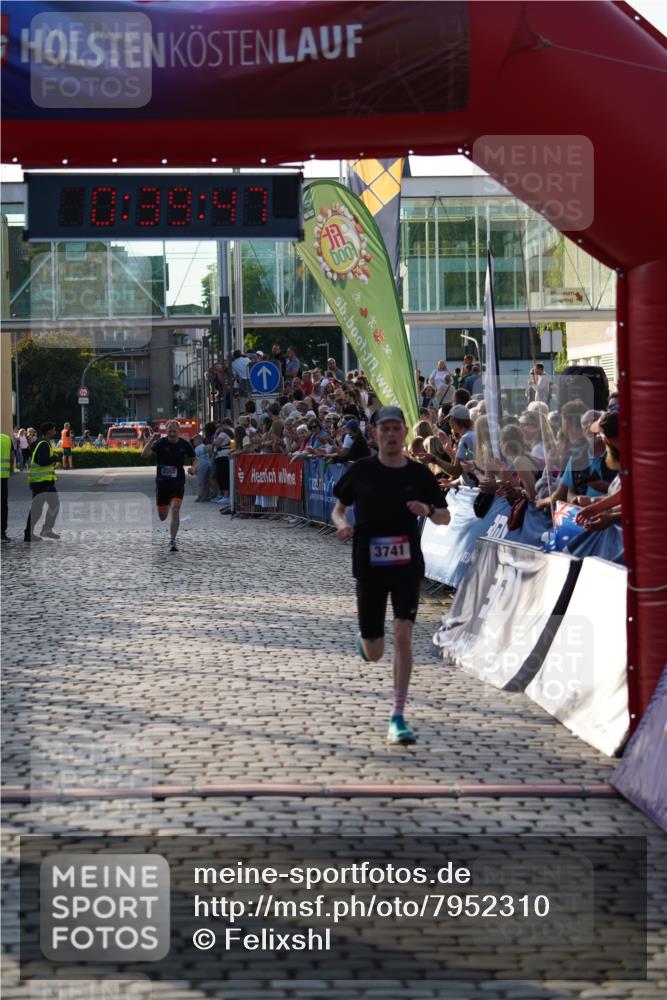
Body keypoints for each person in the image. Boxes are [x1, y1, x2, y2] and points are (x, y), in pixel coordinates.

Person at [332, 406, 450, 746]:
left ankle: (397, 716)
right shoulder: (361, 471)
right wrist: (342, 526)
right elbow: (339, 509)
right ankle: (365, 641)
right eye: (385, 429)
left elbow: (444, 516)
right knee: (376, 651)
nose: (391, 434)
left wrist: (426, 509)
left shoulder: (419, 475)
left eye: (397, 428)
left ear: (404, 433)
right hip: (369, 565)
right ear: (376, 434)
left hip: (407, 564)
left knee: (403, 634)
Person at [142, 419, 195, 552]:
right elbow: (145, 454)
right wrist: (151, 440)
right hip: (162, 483)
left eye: (174, 431)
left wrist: (194, 468)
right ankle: (166, 506)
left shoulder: (184, 444)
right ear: (166, 431)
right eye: (169, 431)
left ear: (179, 431)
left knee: (176, 509)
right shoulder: (160, 443)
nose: (172, 433)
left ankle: (172, 541)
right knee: (162, 516)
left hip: (178, 482)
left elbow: (195, 458)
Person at [24, 422, 60, 542]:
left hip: (47, 482)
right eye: (54, 430)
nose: (55, 432)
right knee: (37, 509)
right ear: (49, 431)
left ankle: (46, 530)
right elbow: (42, 461)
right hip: (40, 482)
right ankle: (28, 534)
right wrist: (54, 458)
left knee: (55, 504)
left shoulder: (43, 443)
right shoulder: (43, 444)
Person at [1, 431, 16, 541]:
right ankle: (2, 532)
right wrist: (11, 471)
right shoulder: (7, 439)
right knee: (3, 505)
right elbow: (12, 458)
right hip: (3, 477)